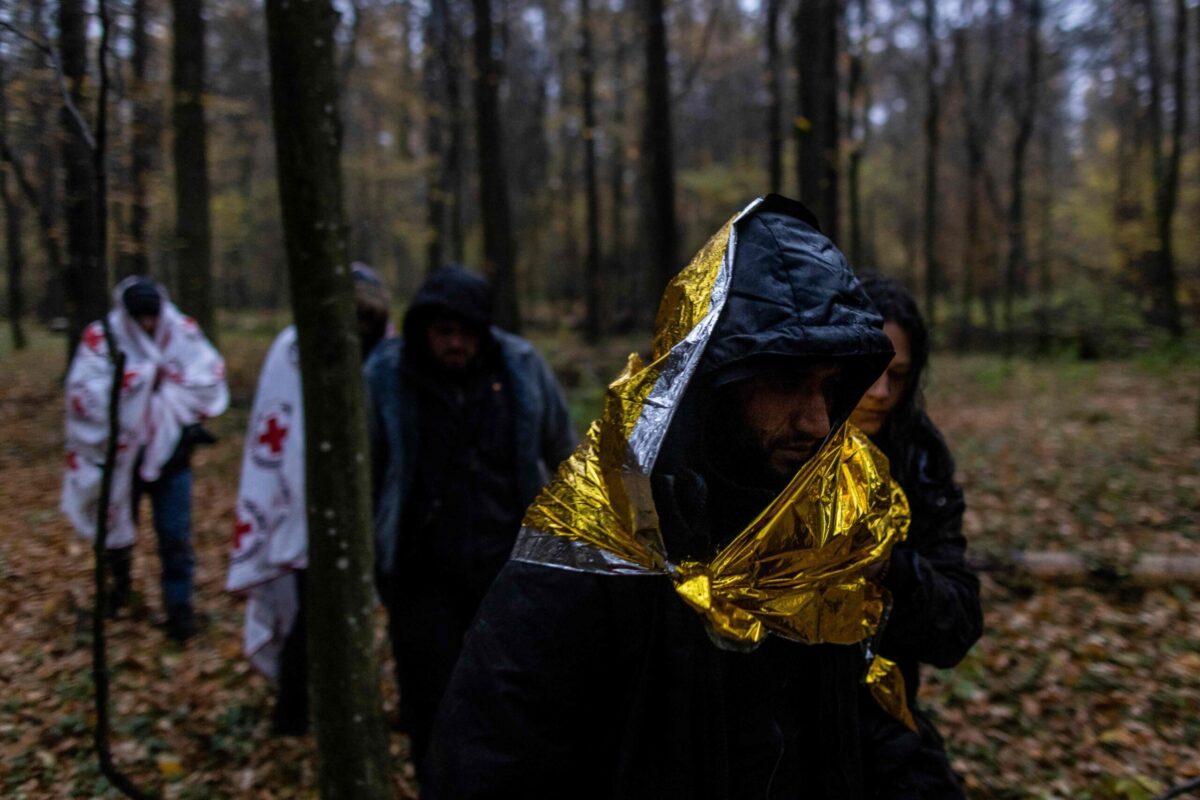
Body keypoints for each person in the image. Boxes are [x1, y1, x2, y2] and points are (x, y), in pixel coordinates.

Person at [421, 195, 915, 799]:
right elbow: (493, 755)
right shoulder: (604, 536)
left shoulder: (823, 520)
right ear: (715, 382)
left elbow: (857, 720)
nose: (817, 421)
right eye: (787, 384)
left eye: (829, 388)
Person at [364, 264, 577, 768]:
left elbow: (564, 451)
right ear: (423, 331)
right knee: (429, 698)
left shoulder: (521, 368)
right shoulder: (387, 377)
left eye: (465, 333)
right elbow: (367, 468)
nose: (455, 344)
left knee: (513, 693)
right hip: (423, 570)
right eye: (443, 332)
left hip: (510, 565)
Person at [227, 264, 392, 736]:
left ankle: (347, 706)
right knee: (311, 617)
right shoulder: (294, 348)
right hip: (306, 509)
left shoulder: (387, 353)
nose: (361, 328)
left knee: (355, 618)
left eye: (369, 319)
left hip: (373, 508)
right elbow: (280, 429)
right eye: (354, 317)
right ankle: (292, 716)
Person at [849, 274, 983, 799]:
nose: (881, 393)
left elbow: (958, 624)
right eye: (867, 373)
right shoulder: (783, 436)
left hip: (881, 717)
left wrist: (892, 567)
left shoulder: (918, 455)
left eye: (898, 377)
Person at [62, 276, 228, 642]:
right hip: (121, 462)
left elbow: (205, 375)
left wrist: (170, 398)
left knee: (175, 536)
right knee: (117, 533)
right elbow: (84, 392)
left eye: (153, 317)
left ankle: (180, 612)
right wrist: (140, 381)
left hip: (172, 458)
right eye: (141, 318)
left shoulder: (182, 332)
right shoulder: (102, 336)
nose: (149, 325)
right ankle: (117, 594)